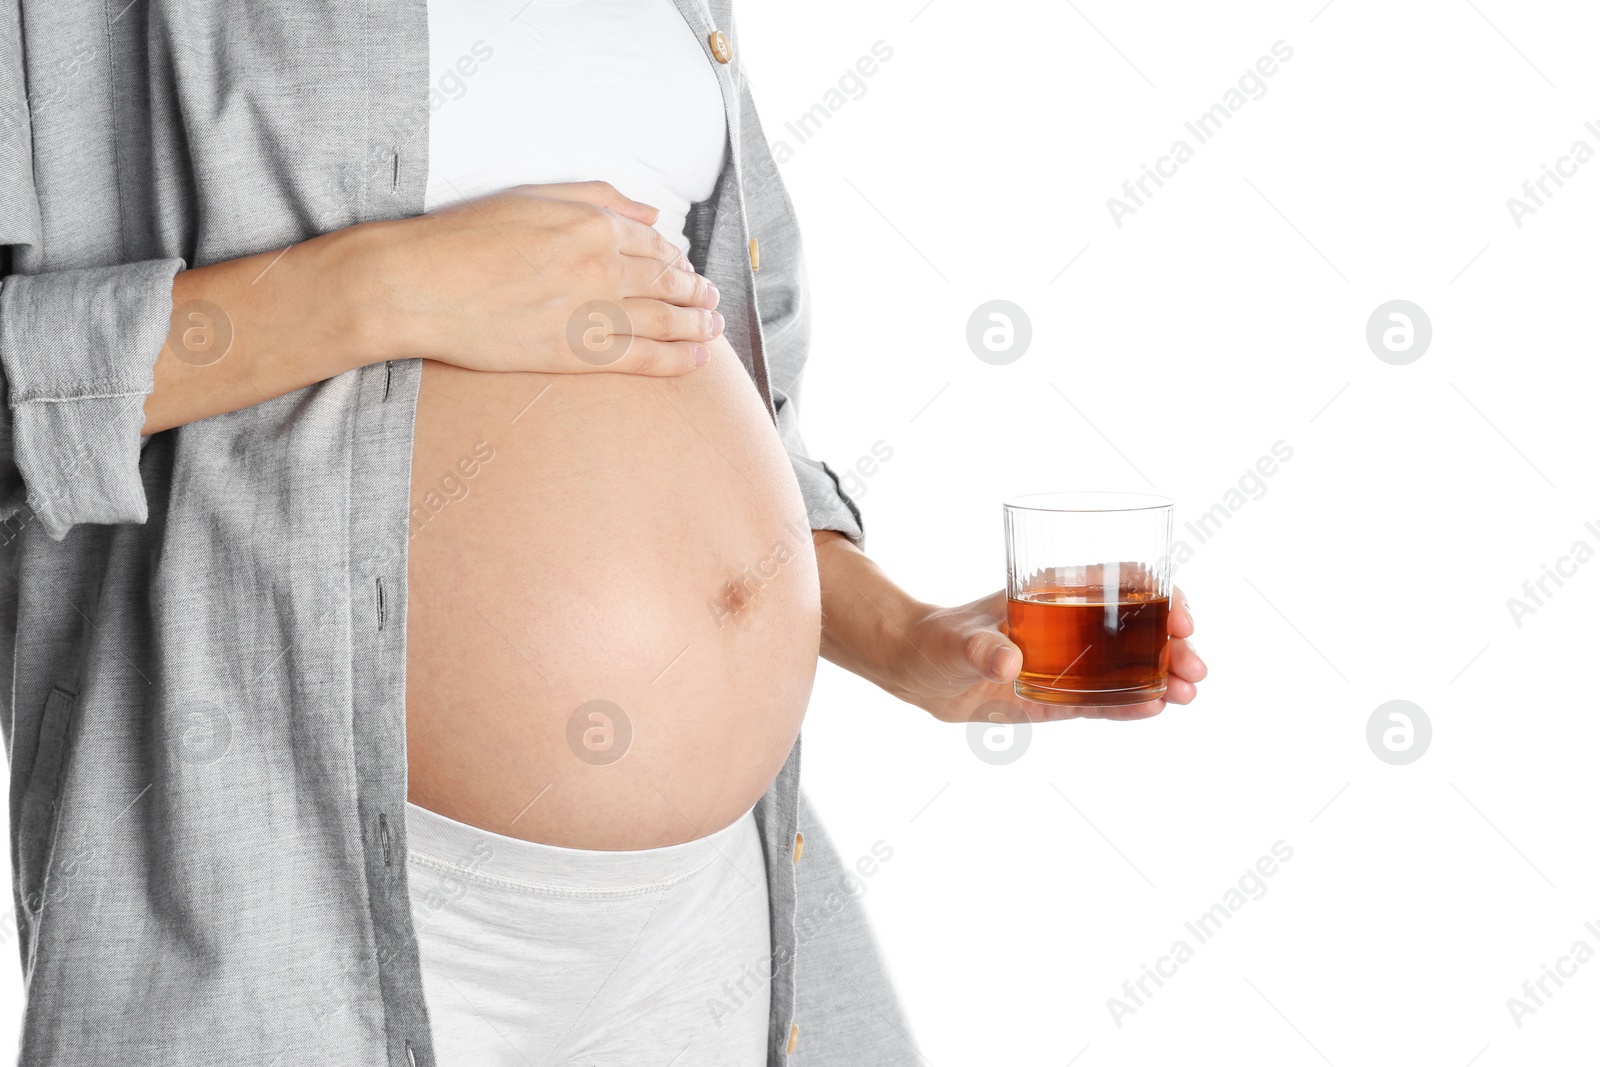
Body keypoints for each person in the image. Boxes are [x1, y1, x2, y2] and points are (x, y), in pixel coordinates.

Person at [0, 1, 1206, 1064]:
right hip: (282, 883)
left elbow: (714, 361)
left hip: (704, 919)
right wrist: (381, 286)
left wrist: (908, 635)